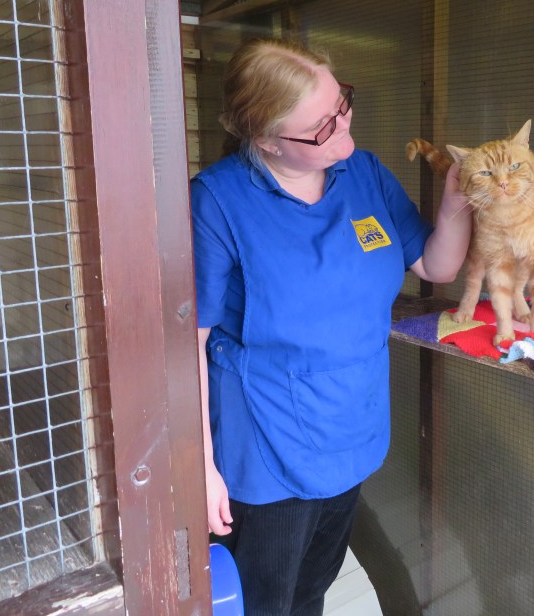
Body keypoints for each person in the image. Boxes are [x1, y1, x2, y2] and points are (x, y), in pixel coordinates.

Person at [190, 37, 471, 616]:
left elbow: (436, 266)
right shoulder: (217, 201)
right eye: (321, 128)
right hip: (266, 442)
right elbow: (187, 341)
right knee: (264, 602)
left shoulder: (363, 172)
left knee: (312, 589)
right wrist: (202, 464)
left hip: (351, 423)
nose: (345, 130)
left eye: (342, 105)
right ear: (266, 141)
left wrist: (456, 207)